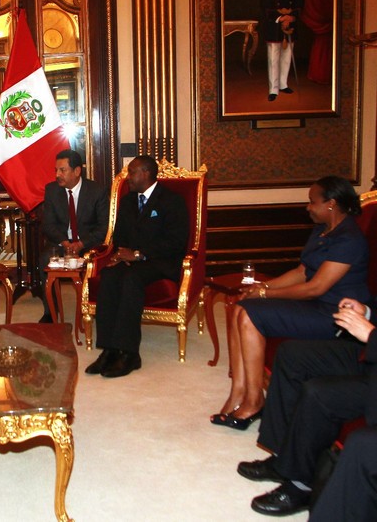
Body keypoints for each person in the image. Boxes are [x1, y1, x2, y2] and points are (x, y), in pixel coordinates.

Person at [211, 176, 369, 430]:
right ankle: (239, 392)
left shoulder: (349, 238)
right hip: (316, 305)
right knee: (240, 306)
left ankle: (254, 401)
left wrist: (264, 295)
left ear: (331, 203)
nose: (308, 207)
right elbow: (301, 271)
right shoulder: (322, 229)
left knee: (252, 313)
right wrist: (263, 286)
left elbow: (315, 288)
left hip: (337, 316)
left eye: (312, 202)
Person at [237, 298, 377, 517]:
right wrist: (366, 312)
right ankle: (282, 456)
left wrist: (370, 335)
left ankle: (301, 486)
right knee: (292, 354)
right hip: (370, 358)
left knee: (319, 393)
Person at [84, 155, 188, 378]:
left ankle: (130, 353)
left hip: (160, 262)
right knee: (110, 276)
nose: (128, 177)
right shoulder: (129, 200)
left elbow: (176, 242)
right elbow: (120, 236)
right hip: (131, 259)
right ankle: (110, 350)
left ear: (146, 173)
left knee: (132, 279)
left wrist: (140, 254)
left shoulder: (172, 201)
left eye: (132, 172)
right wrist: (120, 255)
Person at [39, 149, 109, 322]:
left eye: (62, 170)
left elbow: (104, 227)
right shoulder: (52, 190)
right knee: (44, 259)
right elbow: (48, 224)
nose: (57, 175)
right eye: (56, 170)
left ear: (77, 171)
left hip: (88, 243)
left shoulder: (97, 191)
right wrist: (64, 242)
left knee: (97, 263)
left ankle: (92, 306)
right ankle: (51, 311)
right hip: (61, 243)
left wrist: (81, 243)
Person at [261, 0, 304, 102]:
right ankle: (273, 89)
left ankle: (283, 84)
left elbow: (300, 1)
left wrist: (291, 17)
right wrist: (280, 18)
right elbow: (264, 3)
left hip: (291, 21)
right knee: (273, 57)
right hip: (274, 23)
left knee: (287, 55)